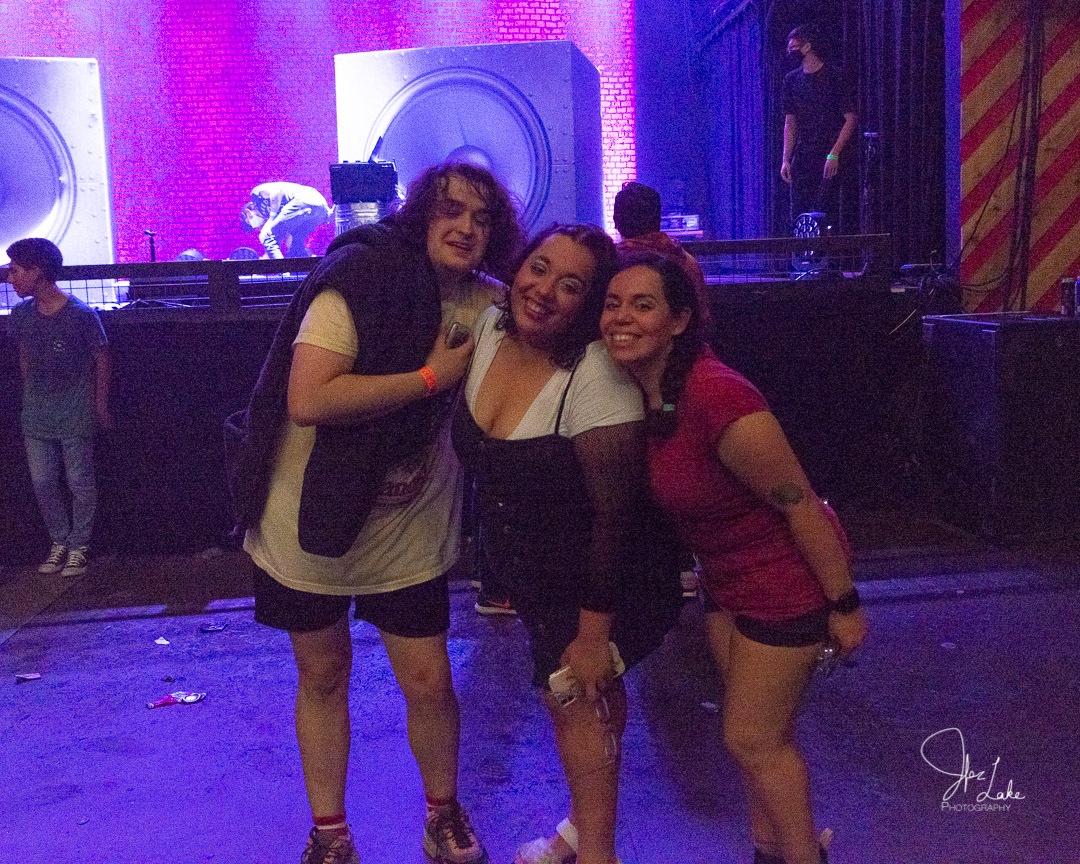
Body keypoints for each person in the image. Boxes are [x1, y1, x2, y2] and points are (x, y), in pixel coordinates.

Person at [234, 162, 523, 864]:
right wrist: (430, 378)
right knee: (323, 673)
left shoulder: (493, 305)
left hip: (408, 525)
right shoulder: (361, 280)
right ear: (421, 215)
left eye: (482, 218)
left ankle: (443, 814)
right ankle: (329, 832)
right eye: (450, 210)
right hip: (309, 516)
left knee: (430, 680)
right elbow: (310, 398)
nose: (466, 228)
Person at [600, 252, 869, 864]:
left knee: (751, 738)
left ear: (678, 321)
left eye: (642, 305)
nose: (622, 318)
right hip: (727, 584)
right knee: (765, 738)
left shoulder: (716, 395)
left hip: (785, 583)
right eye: (613, 304)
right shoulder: (645, 392)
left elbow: (800, 503)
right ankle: (770, 851)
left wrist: (845, 603)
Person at [453, 225, 679, 864]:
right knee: (585, 702)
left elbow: (615, 517)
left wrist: (593, 631)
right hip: (535, 574)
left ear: (589, 303)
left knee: (577, 702)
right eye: (539, 267)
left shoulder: (594, 373)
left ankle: (598, 853)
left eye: (571, 285)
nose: (544, 290)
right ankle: (582, 831)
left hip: (599, 576)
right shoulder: (489, 327)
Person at [7, 238, 111, 578]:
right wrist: (29, 396)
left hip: (74, 409)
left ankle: (79, 545)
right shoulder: (22, 315)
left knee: (80, 480)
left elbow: (101, 358)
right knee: (43, 483)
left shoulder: (81, 314)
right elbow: (24, 354)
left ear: (37, 272)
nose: (10, 278)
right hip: (37, 413)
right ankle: (60, 541)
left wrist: (99, 404)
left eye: (16, 271)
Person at [780, 24, 858, 234]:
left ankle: (826, 253)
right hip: (803, 155)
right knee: (798, 213)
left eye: (794, 47)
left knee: (825, 212)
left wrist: (834, 153)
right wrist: (786, 159)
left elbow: (850, 118)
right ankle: (802, 252)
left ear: (807, 47)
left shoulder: (834, 76)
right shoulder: (791, 80)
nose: (790, 52)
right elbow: (790, 122)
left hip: (828, 153)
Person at [613, 181, 709, 325]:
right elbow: (703, 318)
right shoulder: (687, 261)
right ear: (658, 219)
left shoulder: (611, 265)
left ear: (616, 221)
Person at [242, 182, 333, 259]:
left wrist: (271, 220)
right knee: (296, 242)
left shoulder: (255, 195)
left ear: (248, 212)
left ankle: (282, 272)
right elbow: (280, 235)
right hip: (320, 207)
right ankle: (303, 270)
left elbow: (277, 191)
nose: (257, 227)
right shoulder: (271, 212)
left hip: (304, 199)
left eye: (249, 222)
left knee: (266, 237)